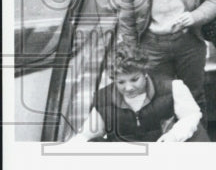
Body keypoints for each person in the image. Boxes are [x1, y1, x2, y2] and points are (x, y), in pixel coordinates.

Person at [70, 45, 208, 143]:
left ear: (145, 73)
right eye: (121, 82)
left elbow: (191, 115)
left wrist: (174, 136)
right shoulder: (103, 99)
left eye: (134, 79)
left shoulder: (172, 87)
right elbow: (87, 133)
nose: (128, 88)